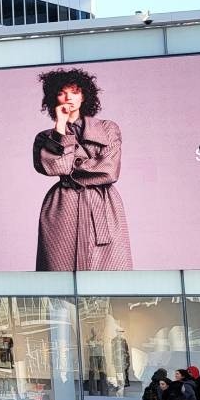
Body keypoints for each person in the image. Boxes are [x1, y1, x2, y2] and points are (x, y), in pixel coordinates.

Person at [32, 67, 132, 271]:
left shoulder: (108, 128)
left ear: (84, 95)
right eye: (62, 92)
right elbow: (56, 167)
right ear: (53, 97)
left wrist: (71, 164)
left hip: (103, 206)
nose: (68, 97)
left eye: (75, 91)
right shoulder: (45, 138)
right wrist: (60, 128)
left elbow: (109, 170)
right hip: (62, 208)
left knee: (111, 280)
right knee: (60, 281)